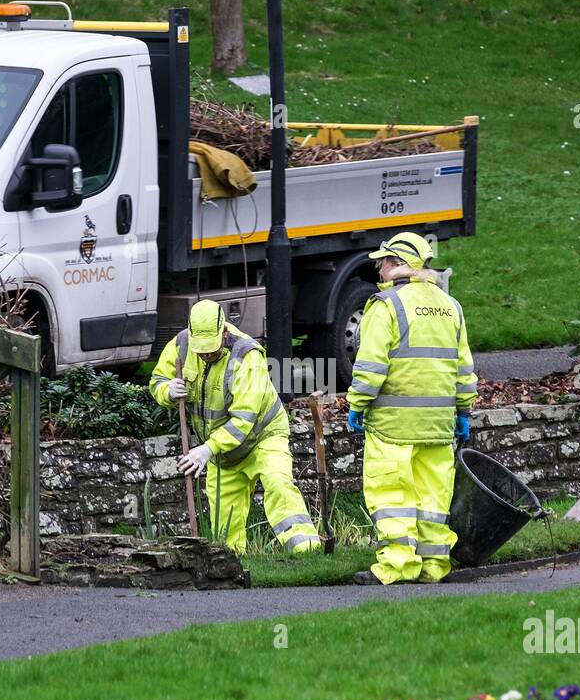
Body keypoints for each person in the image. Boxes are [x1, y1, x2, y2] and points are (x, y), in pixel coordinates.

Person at [345, 232, 477, 584]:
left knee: (392, 494)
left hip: (393, 425)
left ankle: (396, 566)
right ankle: (434, 566)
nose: (379, 267)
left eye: (384, 261)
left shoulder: (386, 306)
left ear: (401, 264)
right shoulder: (451, 306)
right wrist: (463, 412)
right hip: (438, 426)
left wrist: (356, 406)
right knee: (433, 498)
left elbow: (371, 367)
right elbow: (463, 368)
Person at [149, 299, 322, 555]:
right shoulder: (181, 345)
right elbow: (157, 380)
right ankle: (232, 567)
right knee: (225, 531)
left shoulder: (247, 356)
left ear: (225, 332)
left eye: (212, 348)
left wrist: (207, 450)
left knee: (278, 484)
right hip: (223, 454)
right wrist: (167, 391)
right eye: (201, 349)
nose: (207, 354)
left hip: (263, 437)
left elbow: (243, 421)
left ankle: (307, 552)